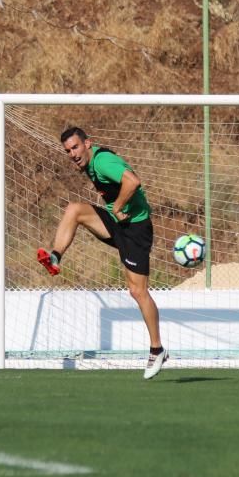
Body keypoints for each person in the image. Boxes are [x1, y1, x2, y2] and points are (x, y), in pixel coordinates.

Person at [38, 126, 168, 379]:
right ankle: (55, 257)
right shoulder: (89, 163)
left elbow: (133, 181)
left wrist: (118, 207)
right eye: (67, 151)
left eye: (75, 147)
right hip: (117, 221)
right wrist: (115, 210)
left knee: (137, 291)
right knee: (74, 210)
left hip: (135, 228)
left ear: (88, 143)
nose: (72, 154)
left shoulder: (102, 161)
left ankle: (157, 349)